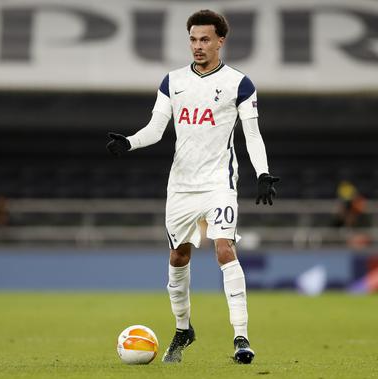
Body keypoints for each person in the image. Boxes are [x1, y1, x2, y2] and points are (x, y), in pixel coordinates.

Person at [106, 9, 279, 364]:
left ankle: (241, 338)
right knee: (178, 256)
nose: (197, 46)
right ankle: (184, 328)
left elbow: (253, 135)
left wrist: (262, 172)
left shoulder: (239, 84)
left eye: (204, 39)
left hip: (219, 182)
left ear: (220, 41)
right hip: (181, 186)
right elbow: (155, 129)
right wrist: (129, 142)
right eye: (192, 39)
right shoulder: (172, 81)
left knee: (224, 248)